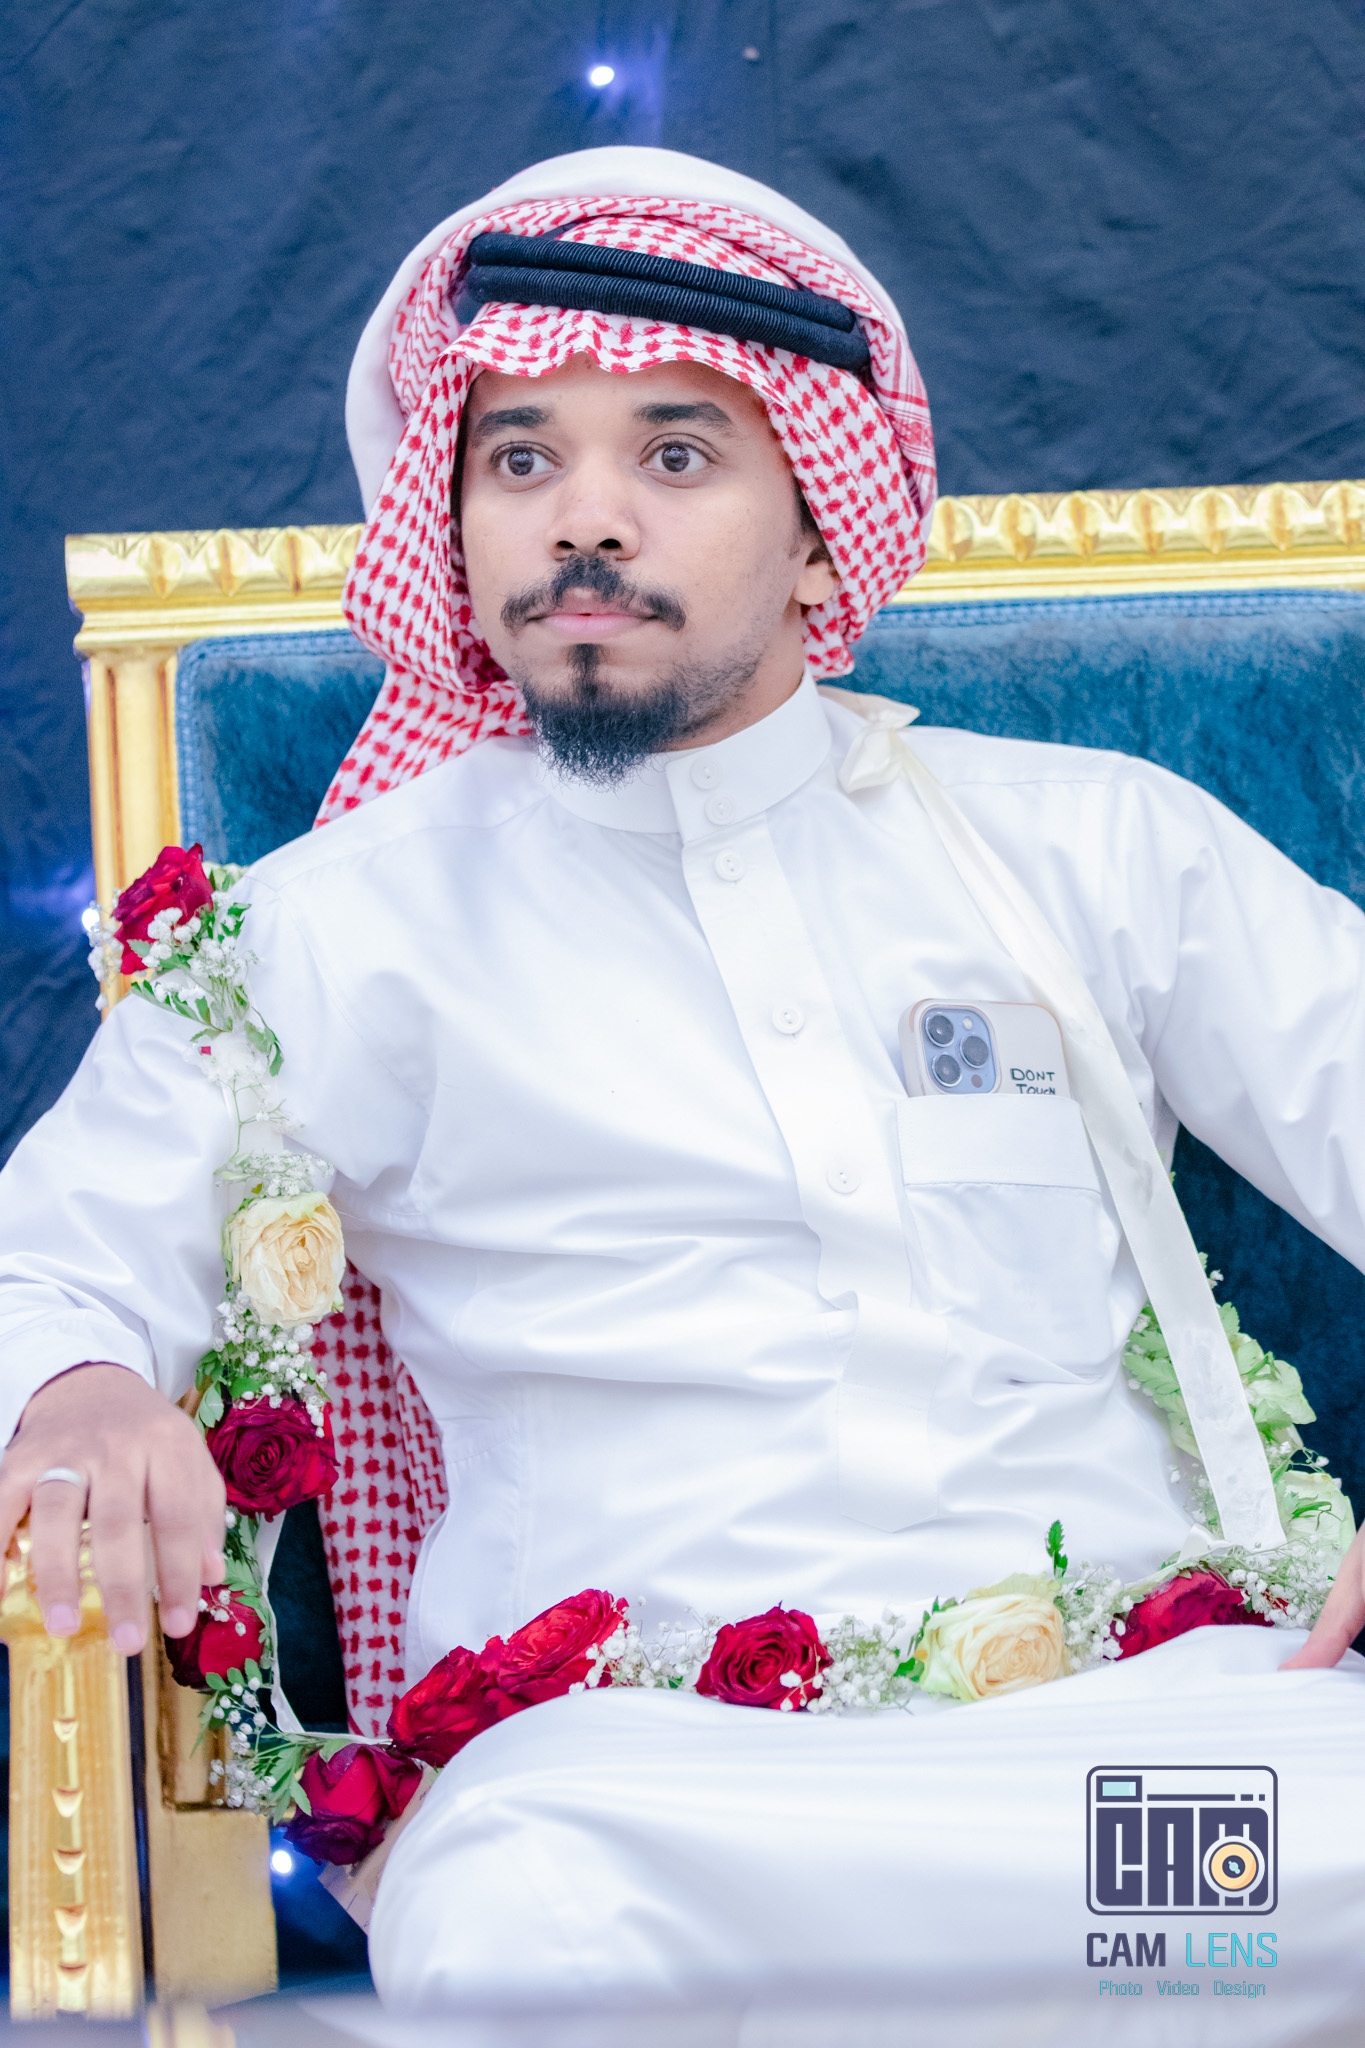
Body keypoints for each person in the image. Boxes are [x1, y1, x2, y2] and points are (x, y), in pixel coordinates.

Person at [1, 147, 1363, 2037]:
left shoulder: (1094, 847)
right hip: (638, 1788)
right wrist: (74, 1389)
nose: (585, 518)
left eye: (673, 452)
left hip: (1136, 1747)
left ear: (817, 529)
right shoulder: (331, 935)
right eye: (520, 459)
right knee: (537, 1947)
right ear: (454, 527)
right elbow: (56, 1258)